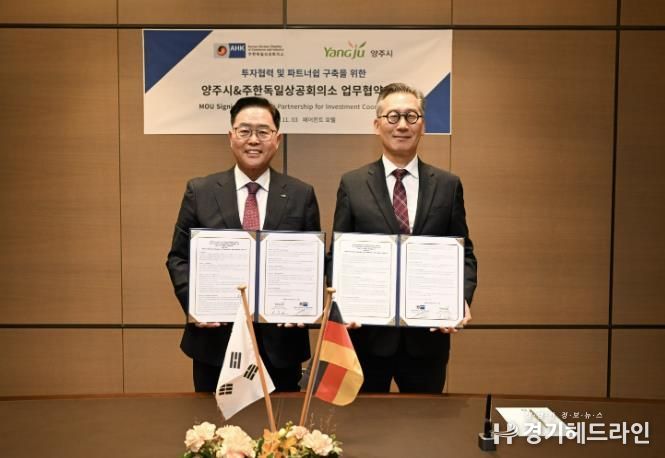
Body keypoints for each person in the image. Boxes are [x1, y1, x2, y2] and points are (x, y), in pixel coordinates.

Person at [166, 96, 321, 392]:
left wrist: (303, 306)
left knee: (282, 423)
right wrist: (196, 304)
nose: (253, 140)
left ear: (277, 139)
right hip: (215, 344)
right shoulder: (200, 191)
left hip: (281, 346)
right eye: (244, 131)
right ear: (231, 136)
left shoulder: (301, 194)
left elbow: (310, 263)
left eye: (263, 132)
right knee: (214, 422)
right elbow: (178, 258)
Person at [331, 82, 478, 393]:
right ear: (377, 125)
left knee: (425, 420)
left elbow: (463, 252)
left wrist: (459, 299)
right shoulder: (352, 184)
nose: (402, 125)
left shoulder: (448, 185)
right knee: (365, 420)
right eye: (393, 116)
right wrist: (341, 304)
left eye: (411, 116)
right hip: (367, 337)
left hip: (427, 339)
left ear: (423, 125)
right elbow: (338, 256)